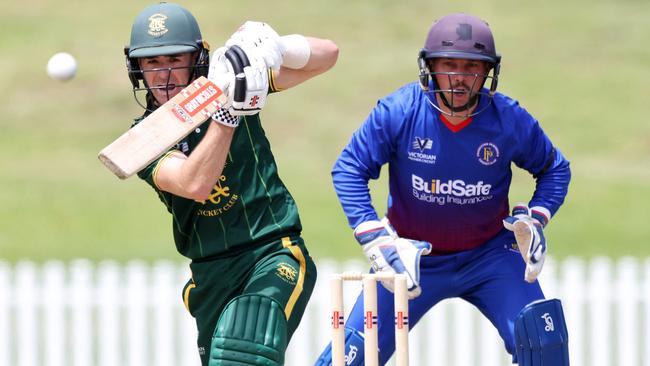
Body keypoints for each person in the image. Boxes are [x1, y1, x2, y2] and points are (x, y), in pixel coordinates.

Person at [315, 13, 570, 366]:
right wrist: (375, 239)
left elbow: (555, 168)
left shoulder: (508, 119)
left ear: (488, 72)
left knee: (544, 346)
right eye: (448, 64)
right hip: (411, 257)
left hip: (490, 255)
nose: (460, 78)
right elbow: (349, 168)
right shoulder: (399, 111)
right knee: (348, 358)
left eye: (472, 67)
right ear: (429, 67)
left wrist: (537, 218)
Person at [123, 3, 338, 365]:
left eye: (175, 58)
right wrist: (228, 113)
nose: (165, 74)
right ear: (138, 69)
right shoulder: (144, 138)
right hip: (210, 275)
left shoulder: (230, 84)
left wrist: (274, 48)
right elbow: (195, 184)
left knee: (247, 348)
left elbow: (328, 55)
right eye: (153, 63)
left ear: (197, 58)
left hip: (272, 252)